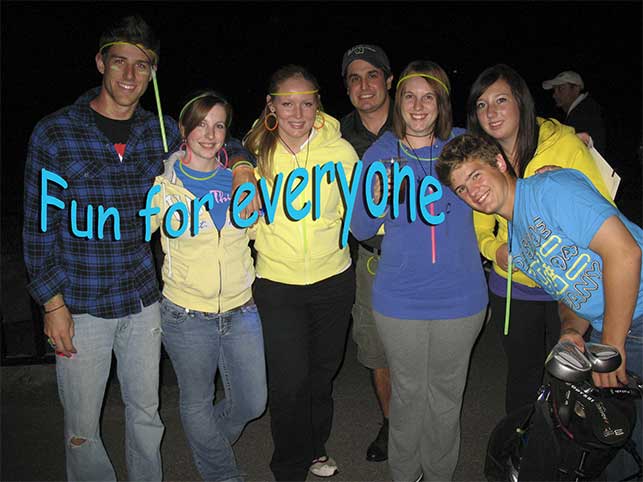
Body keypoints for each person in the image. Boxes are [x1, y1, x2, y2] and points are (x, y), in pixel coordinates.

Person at [22, 16, 180, 481]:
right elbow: (38, 226)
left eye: (141, 65)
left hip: (141, 298)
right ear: (100, 63)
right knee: (82, 428)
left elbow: (218, 141)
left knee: (146, 414)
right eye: (119, 62)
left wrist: (242, 164)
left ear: (152, 73)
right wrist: (52, 304)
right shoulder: (56, 132)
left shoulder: (162, 132)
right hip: (80, 303)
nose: (130, 75)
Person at [437, 132, 643, 481]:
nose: (472, 191)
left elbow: (625, 253)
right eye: (461, 188)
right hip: (615, 327)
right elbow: (569, 290)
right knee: (615, 444)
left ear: (499, 163)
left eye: (475, 175)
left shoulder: (550, 189)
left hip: (634, 319)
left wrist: (611, 344)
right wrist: (571, 330)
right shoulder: (518, 241)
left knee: (625, 442)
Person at [351, 60, 488, 482]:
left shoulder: (465, 145)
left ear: (441, 102)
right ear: (398, 102)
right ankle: (405, 474)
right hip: (400, 299)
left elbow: (510, 170)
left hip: (461, 298)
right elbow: (359, 228)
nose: (418, 105)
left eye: (429, 96)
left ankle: (440, 474)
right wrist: (374, 197)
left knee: (446, 397)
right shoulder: (380, 153)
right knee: (408, 394)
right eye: (409, 96)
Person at [466, 64, 613, 415]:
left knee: (571, 377)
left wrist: (568, 183)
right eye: (482, 105)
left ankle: (565, 443)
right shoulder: (483, 156)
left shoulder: (563, 144)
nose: (491, 112)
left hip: (568, 280)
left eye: (501, 100)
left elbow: (603, 209)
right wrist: (495, 250)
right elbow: (480, 224)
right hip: (514, 283)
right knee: (523, 375)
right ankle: (520, 442)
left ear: (521, 101)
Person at [243, 65, 358, 481]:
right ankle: (288, 466)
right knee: (289, 381)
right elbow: (244, 219)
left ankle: (314, 448)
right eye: (287, 104)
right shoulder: (254, 154)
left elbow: (355, 213)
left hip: (333, 280)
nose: (297, 113)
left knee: (321, 376)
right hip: (278, 284)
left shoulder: (341, 152)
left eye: (306, 104)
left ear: (318, 106)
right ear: (271, 106)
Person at [147, 91, 266, 482]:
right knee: (196, 401)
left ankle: (208, 442)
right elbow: (131, 233)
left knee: (253, 402)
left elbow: (262, 232)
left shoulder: (240, 180)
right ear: (183, 129)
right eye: (200, 124)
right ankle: (221, 473)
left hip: (241, 309)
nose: (209, 134)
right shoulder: (163, 185)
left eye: (218, 126)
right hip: (185, 313)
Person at [339, 43, 394, 463]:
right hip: (370, 257)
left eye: (372, 74)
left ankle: (424, 425)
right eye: (354, 78)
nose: (364, 85)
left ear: (389, 80)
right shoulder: (335, 135)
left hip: (424, 257)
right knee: (377, 349)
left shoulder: (417, 117)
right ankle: (392, 423)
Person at [542, 70, 607, 153]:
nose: (554, 95)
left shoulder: (585, 115)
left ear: (576, 89)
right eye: (554, 90)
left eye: (560, 89)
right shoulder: (585, 110)